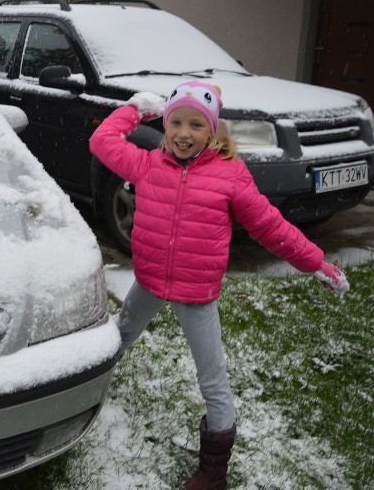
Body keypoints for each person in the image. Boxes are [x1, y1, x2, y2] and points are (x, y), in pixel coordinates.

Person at [89, 81, 350, 490]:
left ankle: (213, 473)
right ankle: (86, 400)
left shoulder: (230, 176)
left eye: (196, 124)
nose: (183, 133)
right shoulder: (148, 165)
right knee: (118, 337)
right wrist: (135, 110)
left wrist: (314, 261)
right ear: (165, 123)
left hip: (197, 296)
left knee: (212, 378)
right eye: (175, 122)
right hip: (150, 282)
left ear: (213, 130)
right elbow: (102, 140)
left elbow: (269, 226)